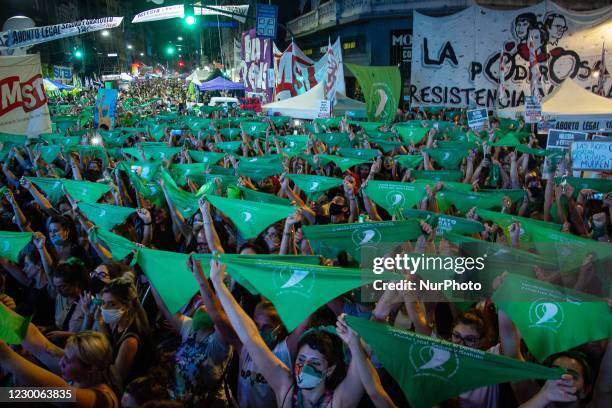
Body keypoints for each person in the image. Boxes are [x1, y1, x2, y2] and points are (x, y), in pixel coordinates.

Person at [209, 258, 365, 408]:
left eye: (315, 363)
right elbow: (250, 337)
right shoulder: (285, 388)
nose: (304, 368)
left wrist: (355, 344)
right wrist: (219, 286)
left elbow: (375, 320)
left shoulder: (339, 402)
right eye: (301, 360)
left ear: (330, 369)